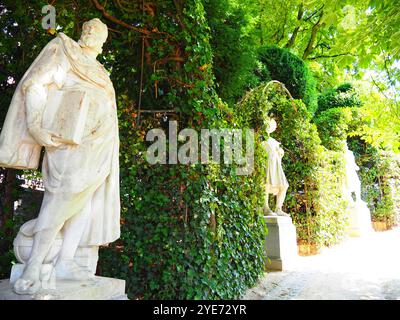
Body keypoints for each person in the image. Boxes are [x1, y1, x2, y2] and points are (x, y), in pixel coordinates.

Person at [0, 18, 120, 294]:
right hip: (66, 141)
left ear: (102, 44)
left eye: (97, 32)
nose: (90, 32)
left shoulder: (101, 71)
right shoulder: (64, 50)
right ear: (81, 32)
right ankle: (34, 264)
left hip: (99, 146)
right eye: (87, 28)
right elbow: (36, 84)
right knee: (62, 197)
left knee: (85, 202)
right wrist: (35, 126)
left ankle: (65, 260)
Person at [262, 118, 289, 217]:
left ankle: (278, 208)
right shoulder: (261, 140)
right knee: (266, 184)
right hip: (267, 164)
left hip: (276, 165)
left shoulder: (273, 141)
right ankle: (265, 207)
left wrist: (280, 152)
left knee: (284, 186)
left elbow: (279, 152)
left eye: (272, 126)